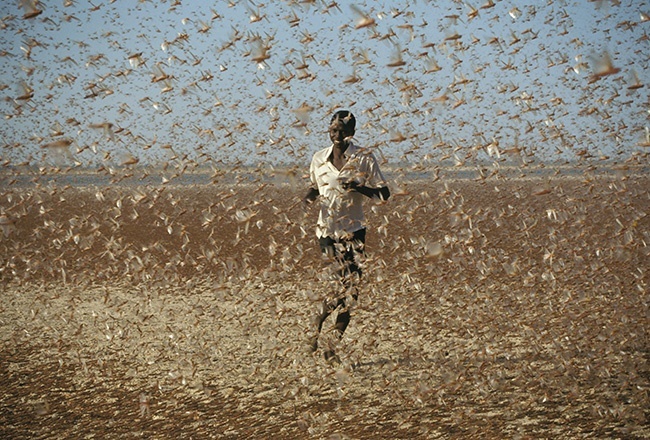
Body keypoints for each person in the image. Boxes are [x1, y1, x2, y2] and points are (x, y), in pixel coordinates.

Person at [303, 110, 390, 362]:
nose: (337, 135)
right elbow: (314, 187)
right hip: (327, 232)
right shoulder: (319, 158)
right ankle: (316, 327)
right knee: (340, 283)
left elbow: (384, 194)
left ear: (351, 132)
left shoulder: (364, 158)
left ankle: (330, 345)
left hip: (354, 231)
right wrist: (307, 200)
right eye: (333, 131)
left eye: (342, 131)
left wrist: (359, 187)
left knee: (351, 295)